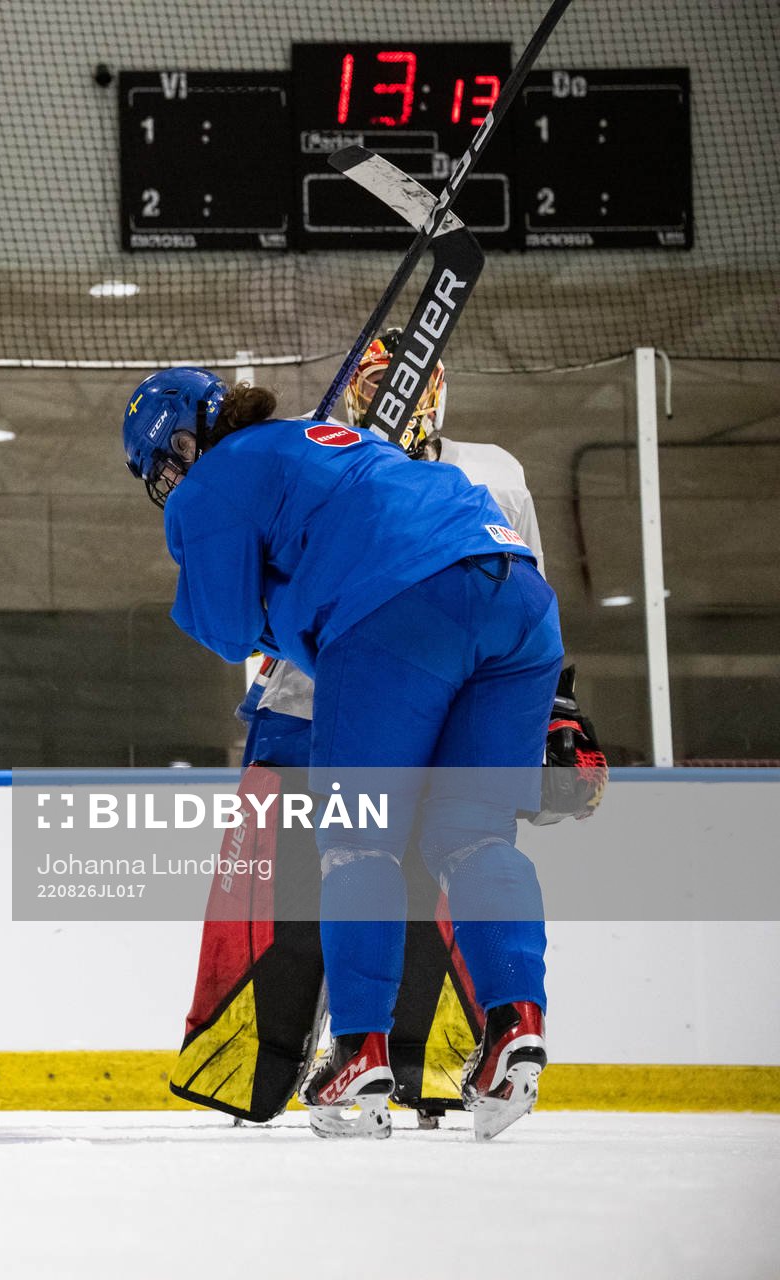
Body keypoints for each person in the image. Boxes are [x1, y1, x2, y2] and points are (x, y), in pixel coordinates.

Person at [125, 365, 558, 1141]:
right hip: (519, 599)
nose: (167, 482)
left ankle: (361, 1052)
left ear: (185, 440)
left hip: (399, 611)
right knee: (474, 836)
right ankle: (515, 1024)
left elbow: (223, 627)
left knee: (360, 840)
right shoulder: (334, 440)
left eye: (163, 463)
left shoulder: (208, 485)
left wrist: (259, 598)